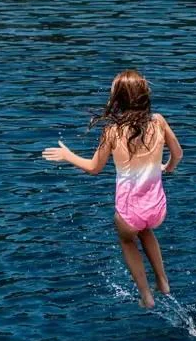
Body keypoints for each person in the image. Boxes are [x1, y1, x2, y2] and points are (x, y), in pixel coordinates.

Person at [42, 70, 183, 308]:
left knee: (127, 239)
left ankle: (146, 295)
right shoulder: (158, 121)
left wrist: (68, 155)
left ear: (117, 98)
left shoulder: (112, 131)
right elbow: (178, 154)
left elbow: (94, 168)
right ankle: (163, 281)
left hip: (130, 212)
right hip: (157, 208)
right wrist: (167, 167)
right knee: (146, 229)